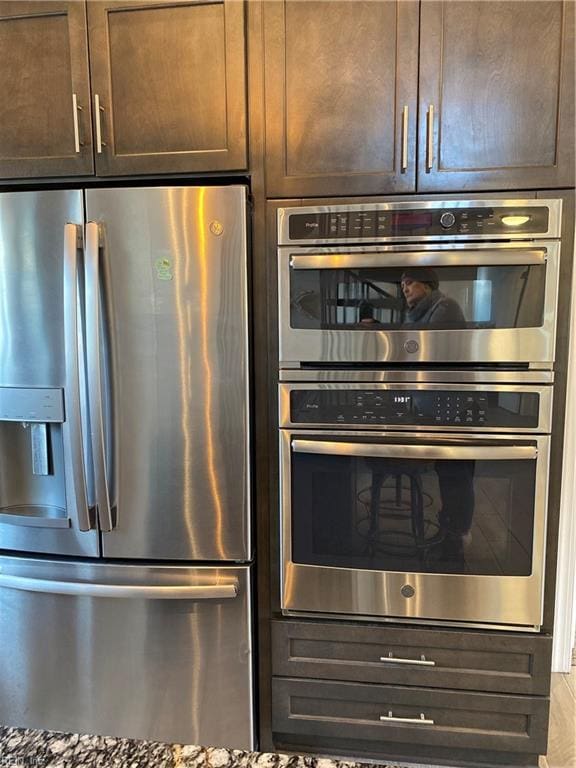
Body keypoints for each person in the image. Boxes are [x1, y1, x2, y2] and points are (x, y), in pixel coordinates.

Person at [400, 267, 465, 327]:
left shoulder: (446, 306)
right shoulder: (411, 315)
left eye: (409, 283)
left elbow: (432, 339)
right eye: (402, 286)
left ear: (426, 286)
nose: (405, 290)